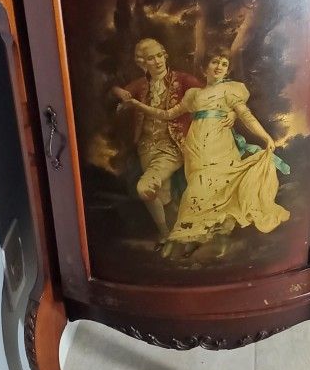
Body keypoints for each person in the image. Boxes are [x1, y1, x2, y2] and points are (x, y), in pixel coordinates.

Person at [114, 50, 289, 256]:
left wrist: (266, 137)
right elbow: (167, 114)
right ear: (204, 68)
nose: (219, 67)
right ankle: (197, 237)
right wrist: (137, 105)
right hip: (196, 147)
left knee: (216, 187)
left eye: (224, 64)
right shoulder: (193, 95)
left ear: (227, 69)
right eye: (215, 62)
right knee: (198, 187)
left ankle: (214, 238)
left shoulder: (230, 90)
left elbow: (246, 116)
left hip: (220, 144)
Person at [113, 38, 200, 244]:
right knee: (160, 192)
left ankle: (165, 234)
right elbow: (116, 89)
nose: (158, 61)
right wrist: (121, 93)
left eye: (160, 55)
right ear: (142, 63)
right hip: (145, 146)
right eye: (151, 58)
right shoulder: (142, 85)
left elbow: (207, 94)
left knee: (146, 186)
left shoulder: (183, 79)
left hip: (173, 144)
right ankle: (171, 234)